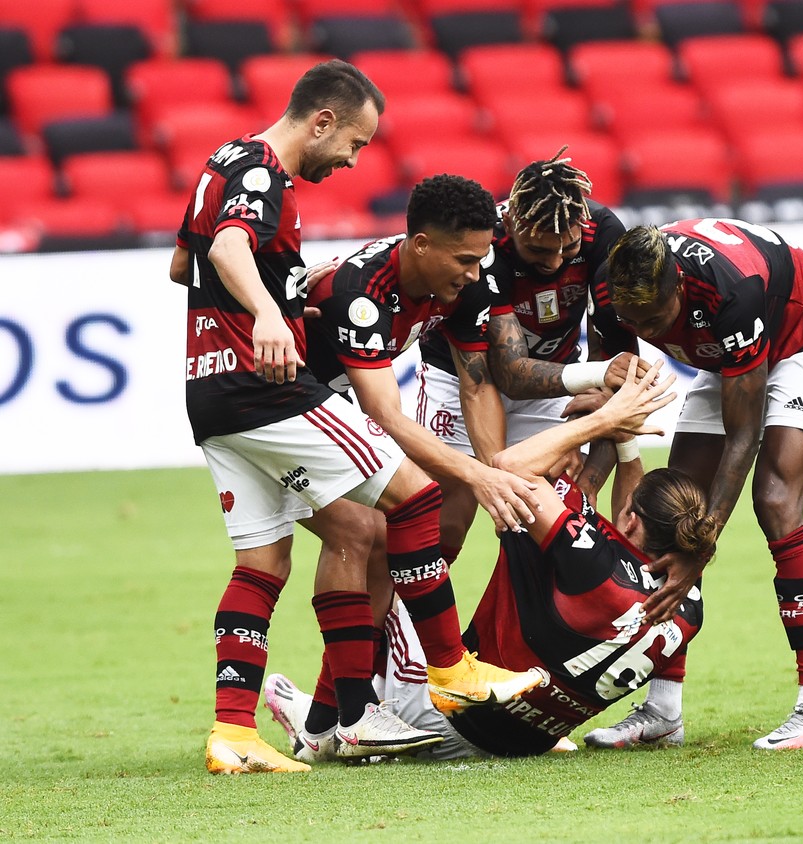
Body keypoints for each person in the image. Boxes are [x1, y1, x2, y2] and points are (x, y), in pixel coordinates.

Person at [169, 60, 543, 774]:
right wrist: (271, 310)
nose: (353, 158)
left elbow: (182, 258)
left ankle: (237, 734)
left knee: (270, 560)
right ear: (323, 120)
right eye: (356, 143)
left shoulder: (220, 162)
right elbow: (223, 245)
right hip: (266, 387)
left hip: (210, 391)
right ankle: (447, 672)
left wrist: (267, 286)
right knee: (417, 494)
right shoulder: (261, 174)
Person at [266, 358, 720, 760]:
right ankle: (322, 721)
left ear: (632, 520)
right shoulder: (689, 600)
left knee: (401, 565)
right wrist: (624, 443)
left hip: (450, 716)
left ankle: (324, 724)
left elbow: (505, 467)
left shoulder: (589, 559)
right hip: (532, 741)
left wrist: (600, 424)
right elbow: (622, 505)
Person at [264, 173, 564, 763]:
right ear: (420, 244)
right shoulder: (361, 290)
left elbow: (477, 387)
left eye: (482, 259)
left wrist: (493, 468)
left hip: (331, 403)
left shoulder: (462, 284)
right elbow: (382, 414)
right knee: (370, 528)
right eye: (465, 259)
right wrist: (475, 477)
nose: (477, 274)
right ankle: (369, 707)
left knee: (384, 533)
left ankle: (327, 722)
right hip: (276, 404)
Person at [586, 218, 803, 751]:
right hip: (727, 351)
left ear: (680, 290)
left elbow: (743, 435)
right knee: (669, 516)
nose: (644, 330)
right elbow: (617, 401)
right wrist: (591, 480)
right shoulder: (612, 287)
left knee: (776, 500)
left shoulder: (731, 291)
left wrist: (701, 549)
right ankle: (663, 711)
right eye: (632, 319)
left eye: (655, 318)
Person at [417, 148, 641, 563]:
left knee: (563, 514)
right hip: (463, 375)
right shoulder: (487, 246)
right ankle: (403, 620)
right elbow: (510, 373)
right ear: (512, 223)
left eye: (567, 248)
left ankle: (539, 625)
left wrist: (584, 434)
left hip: (554, 374)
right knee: (446, 517)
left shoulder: (603, 232)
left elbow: (618, 362)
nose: (554, 262)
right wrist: (595, 377)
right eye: (538, 251)